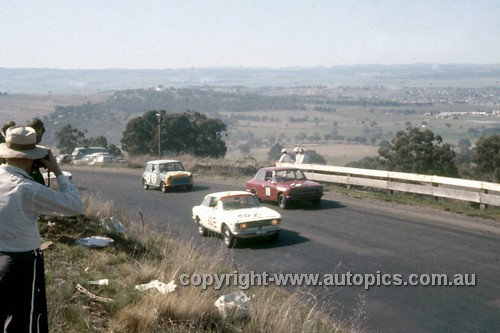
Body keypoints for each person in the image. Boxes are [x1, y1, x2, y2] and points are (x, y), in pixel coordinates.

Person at [0, 126, 84, 332]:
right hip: (19, 262)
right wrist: (57, 171)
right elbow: (74, 206)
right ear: (32, 158)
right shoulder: (26, 187)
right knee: (23, 321)